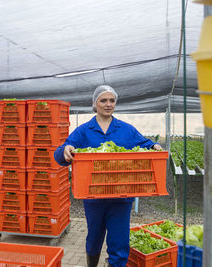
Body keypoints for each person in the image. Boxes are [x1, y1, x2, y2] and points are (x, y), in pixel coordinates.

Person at [54, 85, 162, 267]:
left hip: (121, 197)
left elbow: (145, 143)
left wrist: (154, 146)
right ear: (95, 103)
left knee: (119, 243)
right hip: (93, 198)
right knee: (94, 239)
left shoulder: (126, 129)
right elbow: (61, 153)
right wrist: (65, 149)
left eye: (112, 100)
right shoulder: (84, 130)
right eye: (103, 100)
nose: (108, 104)